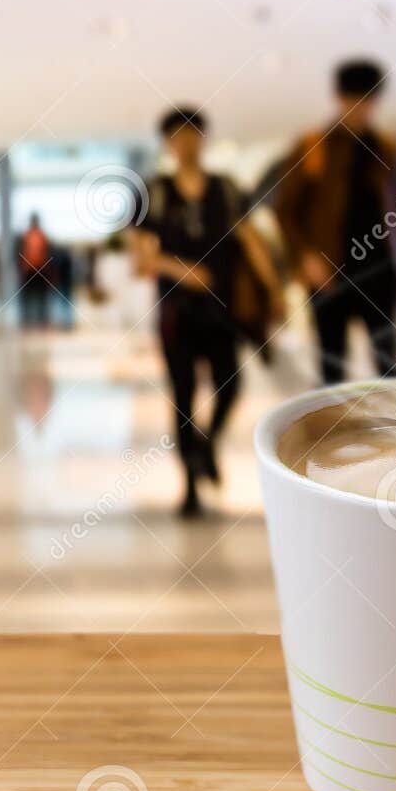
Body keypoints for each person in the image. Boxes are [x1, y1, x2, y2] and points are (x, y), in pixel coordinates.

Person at [133, 107, 282, 517]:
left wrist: (273, 291)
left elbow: (251, 240)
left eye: (192, 135)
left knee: (230, 386)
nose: (185, 144)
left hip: (223, 308)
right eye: (176, 137)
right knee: (182, 397)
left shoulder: (227, 189)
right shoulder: (155, 193)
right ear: (167, 143)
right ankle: (189, 487)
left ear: (203, 139)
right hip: (175, 313)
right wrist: (184, 271)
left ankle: (206, 444)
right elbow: (141, 258)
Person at [273, 59, 396, 385]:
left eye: (369, 99)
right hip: (329, 271)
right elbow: (285, 210)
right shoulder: (313, 147)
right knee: (331, 365)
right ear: (340, 98)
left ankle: (395, 431)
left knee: (389, 362)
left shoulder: (387, 147)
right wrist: (305, 257)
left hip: (379, 269)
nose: (361, 107)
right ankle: (331, 434)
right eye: (354, 98)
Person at [17, 213, 53, 328]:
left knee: (38, 297)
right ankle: (31, 318)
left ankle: (38, 318)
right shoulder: (31, 236)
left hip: (37, 270)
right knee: (32, 297)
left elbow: (47, 253)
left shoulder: (36, 236)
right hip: (33, 270)